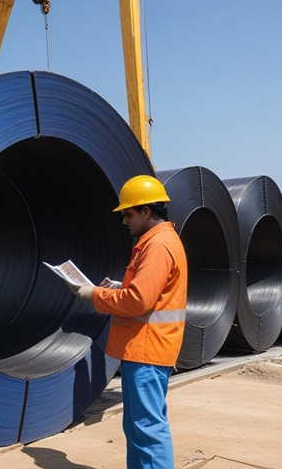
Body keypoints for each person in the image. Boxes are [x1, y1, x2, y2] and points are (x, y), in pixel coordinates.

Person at [65, 175, 187, 469]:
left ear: (147, 211)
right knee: (138, 427)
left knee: (146, 428)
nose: (124, 221)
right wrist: (121, 287)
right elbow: (149, 295)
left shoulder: (157, 246)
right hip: (146, 348)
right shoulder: (159, 241)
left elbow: (138, 302)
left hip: (148, 349)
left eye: (129, 214)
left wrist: (93, 295)